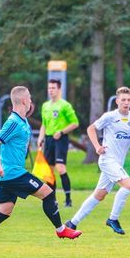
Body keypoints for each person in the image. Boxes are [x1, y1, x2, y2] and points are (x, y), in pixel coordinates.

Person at [0, 86, 82, 258]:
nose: (31, 101)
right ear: (23, 101)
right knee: (48, 193)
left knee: (4, 211)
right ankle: (61, 230)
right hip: (13, 174)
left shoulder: (23, 121)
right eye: (29, 98)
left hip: (9, 175)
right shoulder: (13, 122)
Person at [65, 86, 130, 235]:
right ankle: (113, 219)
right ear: (117, 101)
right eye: (123, 100)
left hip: (118, 163)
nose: (126, 102)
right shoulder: (110, 116)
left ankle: (72, 223)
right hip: (107, 160)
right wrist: (97, 146)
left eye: (129, 100)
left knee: (99, 195)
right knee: (128, 185)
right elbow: (91, 129)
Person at [37, 79, 79, 207]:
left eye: (53, 88)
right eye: (49, 88)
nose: (50, 90)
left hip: (60, 139)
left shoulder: (65, 105)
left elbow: (75, 123)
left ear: (59, 89)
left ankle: (68, 200)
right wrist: (40, 138)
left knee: (60, 168)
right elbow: (44, 124)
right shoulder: (45, 106)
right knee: (49, 171)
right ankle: (52, 200)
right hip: (49, 140)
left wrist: (61, 132)